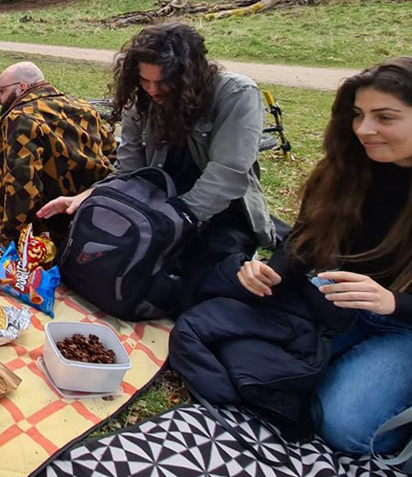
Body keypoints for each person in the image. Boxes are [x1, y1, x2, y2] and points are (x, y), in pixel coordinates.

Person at [236, 57, 412, 458]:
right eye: (358, 114)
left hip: (405, 327)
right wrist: (272, 272)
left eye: (385, 117)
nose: (365, 130)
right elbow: (306, 240)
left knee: (345, 428)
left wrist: (393, 302)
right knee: (253, 362)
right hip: (337, 301)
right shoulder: (349, 167)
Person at [39, 23, 276, 304]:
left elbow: (227, 174)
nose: (152, 90)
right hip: (157, 208)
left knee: (196, 293)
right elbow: (129, 171)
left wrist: (174, 221)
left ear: (190, 75)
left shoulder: (235, 94)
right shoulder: (140, 101)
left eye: (162, 83)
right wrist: (89, 195)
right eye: (144, 81)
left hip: (217, 215)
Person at [0, 62, 114, 241]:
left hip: (53, 216)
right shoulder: (84, 106)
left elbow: (23, 187)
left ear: (22, 88)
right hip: (93, 206)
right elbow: (112, 154)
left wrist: (13, 236)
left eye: (1, 90)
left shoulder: (20, 118)